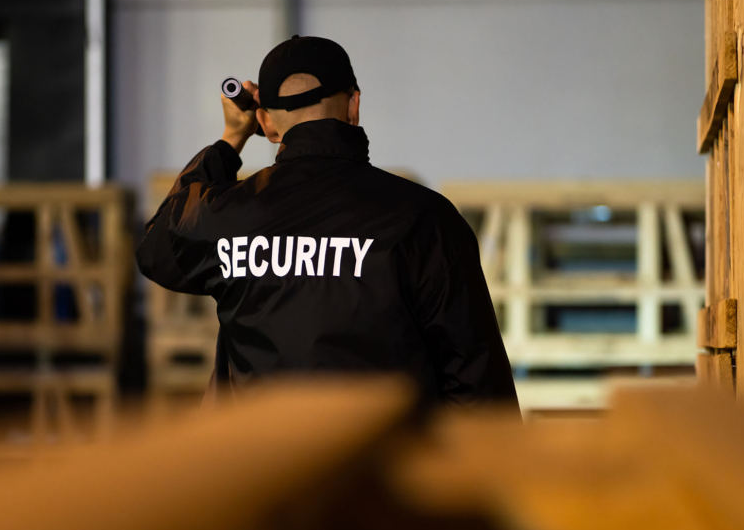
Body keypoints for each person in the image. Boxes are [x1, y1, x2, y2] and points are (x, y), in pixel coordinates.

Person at [137, 35, 516, 407]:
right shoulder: (425, 218)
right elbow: (477, 380)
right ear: (354, 105)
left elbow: (158, 249)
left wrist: (230, 139)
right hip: (385, 465)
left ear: (267, 125)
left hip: (259, 466)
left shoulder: (227, 214)